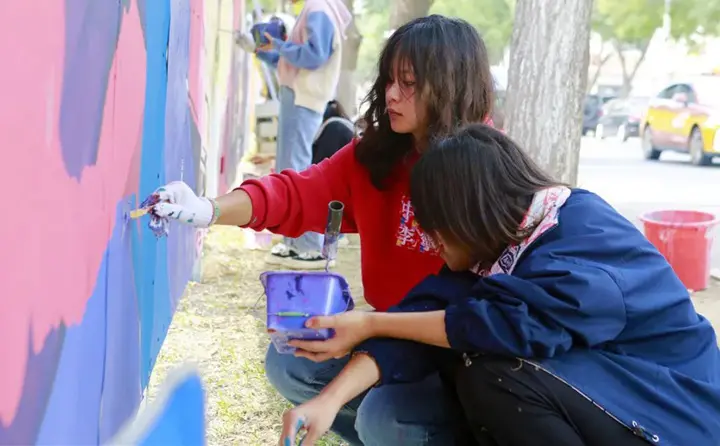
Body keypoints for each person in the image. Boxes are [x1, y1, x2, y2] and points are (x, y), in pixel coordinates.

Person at [150, 15, 495, 446]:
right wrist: (205, 209)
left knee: (386, 418)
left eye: (408, 83)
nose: (391, 94)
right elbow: (296, 194)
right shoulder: (377, 156)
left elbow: (482, 314)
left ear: (449, 86)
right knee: (293, 362)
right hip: (390, 337)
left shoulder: (487, 172)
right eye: (389, 79)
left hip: (462, 356)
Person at [278, 124, 720, 446]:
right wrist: (329, 399)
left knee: (499, 371)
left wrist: (372, 324)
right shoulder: (499, 250)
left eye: (435, 229)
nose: (431, 243)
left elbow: (512, 324)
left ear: (466, 213)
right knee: (451, 375)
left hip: (673, 413)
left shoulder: (585, 233)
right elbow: (422, 317)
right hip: (608, 405)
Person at [242, 0, 353, 269]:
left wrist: (278, 46)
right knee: (288, 169)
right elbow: (296, 59)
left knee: (297, 170)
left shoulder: (319, 9)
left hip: (305, 97)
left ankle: (310, 245)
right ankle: (294, 242)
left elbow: (315, 56)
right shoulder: (317, 9)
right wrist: (262, 50)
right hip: (300, 95)